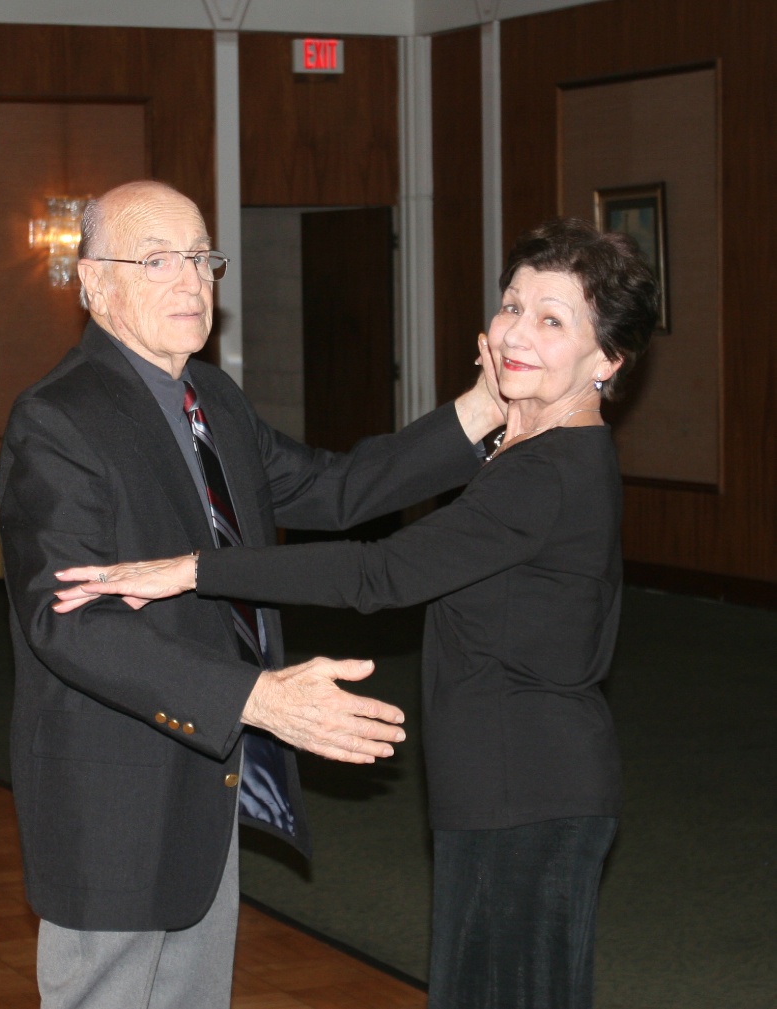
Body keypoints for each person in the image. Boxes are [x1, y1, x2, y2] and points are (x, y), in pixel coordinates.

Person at [54, 217, 660, 1009]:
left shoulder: (539, 471)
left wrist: (193, 568)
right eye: (512, 305)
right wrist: (490, 419)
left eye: (554, 319)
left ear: (608, 359)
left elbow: (376, 572)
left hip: (525, 787)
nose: (515, 331)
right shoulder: (545, 452)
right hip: (527, 781)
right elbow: (349, 494)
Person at [0, 178, 504, 1009]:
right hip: (115, 798)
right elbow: (70, 625)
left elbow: (337, 490)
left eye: (201, 257)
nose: (191, 282)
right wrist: (257, 696)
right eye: (157, 259)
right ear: (93, 283)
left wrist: (480, 409)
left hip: (208, 774)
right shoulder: (57, 420)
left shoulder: (213, 400)